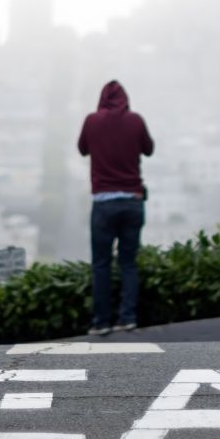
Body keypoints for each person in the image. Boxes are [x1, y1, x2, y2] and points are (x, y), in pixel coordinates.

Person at [77, 80, 154, 336]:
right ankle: (128, 318)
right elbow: (149, 149)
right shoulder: (135, 121)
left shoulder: (92, 121)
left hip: (103, 203)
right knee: (128, 263)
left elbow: (82, 149)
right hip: (132, 201)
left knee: (101, 264)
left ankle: (101, 322)